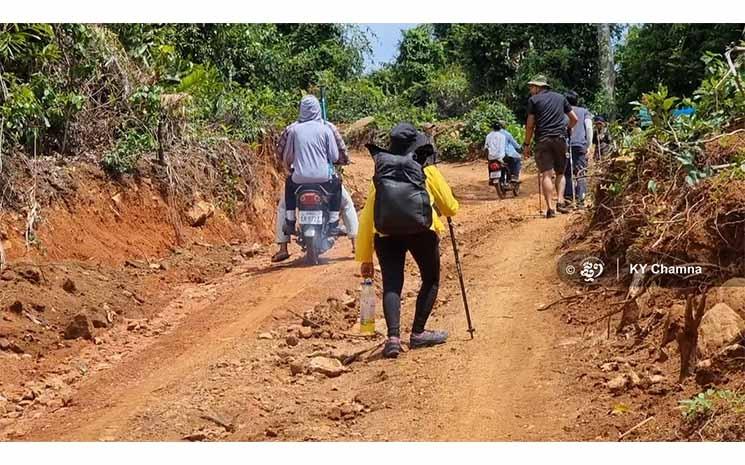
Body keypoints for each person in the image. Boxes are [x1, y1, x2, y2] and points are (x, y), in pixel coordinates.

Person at [357, 123, 459, 359]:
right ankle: (418, 333)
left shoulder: (382, 169)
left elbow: (367, 216)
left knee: (393, 284)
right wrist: (445, 210)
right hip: (422, 231)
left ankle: (393, 339)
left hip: (386, 234)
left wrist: (365, 257)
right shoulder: (425, 167)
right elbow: (450, 206)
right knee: (430, 279)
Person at [271, 95, 347, 262]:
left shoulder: (294, 129)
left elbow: (287, 155)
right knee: (338, 187)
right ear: (318, 109)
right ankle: (334, 222)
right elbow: (335, 156)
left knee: (288, 187)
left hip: (299, 179)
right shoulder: (326, 128)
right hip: (324, 179)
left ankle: (290, 221)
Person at [522, 75, 578, 218]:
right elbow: (574, 119)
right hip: (560, 139)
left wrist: (527, 144)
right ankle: (560, 201)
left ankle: (550, 209)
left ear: (539, 87)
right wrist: (567, 130)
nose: (530, 89)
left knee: (546, 174)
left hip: (543, 139)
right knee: (560, 173)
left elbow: (530, 125)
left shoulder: (533, 100)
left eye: (532, 86)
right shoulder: (560, 98)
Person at [562, 91, 593, 207]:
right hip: (580, 145)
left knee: (567, 173)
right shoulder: (584, 112)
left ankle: (569, 199)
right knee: (581, 172)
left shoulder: (563, 113)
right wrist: (588, 146)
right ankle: (581, 199)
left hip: (566, 146)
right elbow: (589, 128)